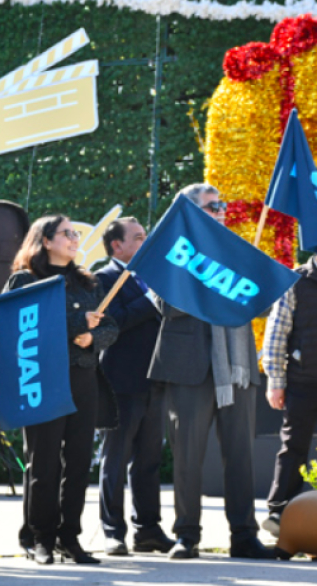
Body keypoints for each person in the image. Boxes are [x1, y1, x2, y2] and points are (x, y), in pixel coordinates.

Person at [148, 183, 275, 560]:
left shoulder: (237, 252)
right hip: (189, 368)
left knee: (240, 456)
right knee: (187, 456)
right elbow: (165, 307)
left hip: (236, 368)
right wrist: (210, 288)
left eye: (222, 205)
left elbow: (262, 306)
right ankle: (187, 535)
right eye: (212, 206)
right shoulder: (173, 253)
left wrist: (249, 284)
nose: (221, 210)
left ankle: (244, 536)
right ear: (189, 213)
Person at [5, 214, 118, 565]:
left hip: (83, 379)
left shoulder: (89, 282)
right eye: (67, 233)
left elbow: (111, 326)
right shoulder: (25, 279)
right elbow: (20, 327)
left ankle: (70, 537)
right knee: (44, 461)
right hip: (40, 378)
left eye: (74, 233)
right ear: (46, 240)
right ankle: (40, 537)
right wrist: (76, 326)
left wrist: (91, 336)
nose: (74, 238)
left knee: (80, 461)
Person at [95, 218, 175, 556]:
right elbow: (114, 322)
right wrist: (152, 299)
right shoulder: (103, 277)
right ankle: (114, 532)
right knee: (115, 459)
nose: (146, 243)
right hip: (122, 383)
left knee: (148, 461)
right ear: (117, 246)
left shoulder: (156, 276)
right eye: (139, 238)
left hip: (156, 381)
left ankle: (148, 531)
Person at [260, 254, 317, 538]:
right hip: (302, 381)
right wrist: (275, 380)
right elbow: (275, 333)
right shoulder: (295, 281)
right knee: (293, 446)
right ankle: (279, 512)